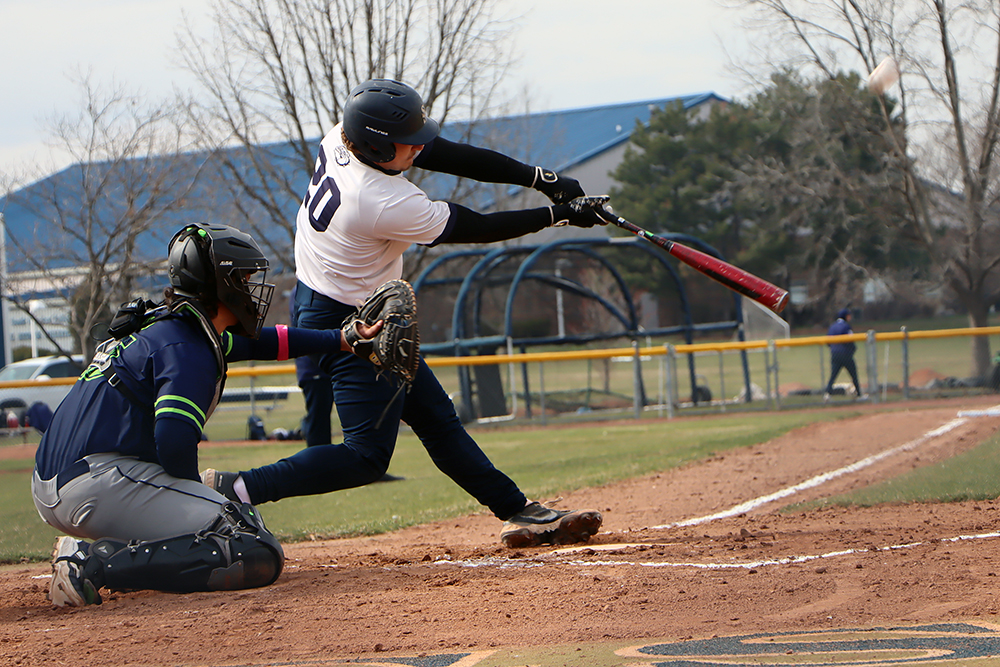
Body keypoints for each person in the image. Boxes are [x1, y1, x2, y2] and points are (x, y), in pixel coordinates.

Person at [203, 78, 606, 548]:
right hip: (351, 318)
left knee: (436, 418)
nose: (418, 147)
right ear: (376, 145)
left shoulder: (344, 135)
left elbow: (448, 153)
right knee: (366, 457)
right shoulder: (379, 200)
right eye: (407, 141)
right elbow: (474, 226)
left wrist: (541, 180)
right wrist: (555, 216)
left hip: (340, 296)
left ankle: (519, 512)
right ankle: (233, 489)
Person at [31, 223, 381, 607]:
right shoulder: (188, 347)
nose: (251, 289)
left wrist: (342, 340)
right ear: (221, 284)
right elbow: (173, 440)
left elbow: (266, 342)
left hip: (66, 479)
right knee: (250, 544)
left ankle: (114, 555)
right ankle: (89, 564)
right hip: (96, 484)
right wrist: (191, 501)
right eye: (244, 279)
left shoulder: (170, 326)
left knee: (219, 524)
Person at [824, 307, 866, 400]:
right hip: (846, 354)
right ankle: (859, 395)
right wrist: (853, 349)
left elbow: (827, 342)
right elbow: (850, 340)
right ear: (845, 316)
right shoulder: (846, 326)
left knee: (833, 375)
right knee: (854, 375)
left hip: (834, 354)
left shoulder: (832, 326)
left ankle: (827, 394)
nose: (850, 317)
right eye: (848, 315)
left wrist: (833, 349)